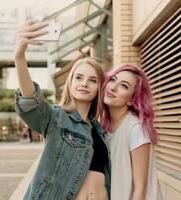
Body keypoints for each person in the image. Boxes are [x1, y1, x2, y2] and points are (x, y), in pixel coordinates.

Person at [14, 20, 110, 200]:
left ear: (99, 88)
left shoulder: (99, 130)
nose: (84, 83)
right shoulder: (57, 117)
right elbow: (30, 101)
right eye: (79, 77)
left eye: (92, 80)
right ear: (70, 83)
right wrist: (19, 56)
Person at [100, 64, 162, 200]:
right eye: (113, 79)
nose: (113, 87)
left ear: (131, 99)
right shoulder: (103, 126)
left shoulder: (136, 129)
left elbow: (141, 189)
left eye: (124, 86)